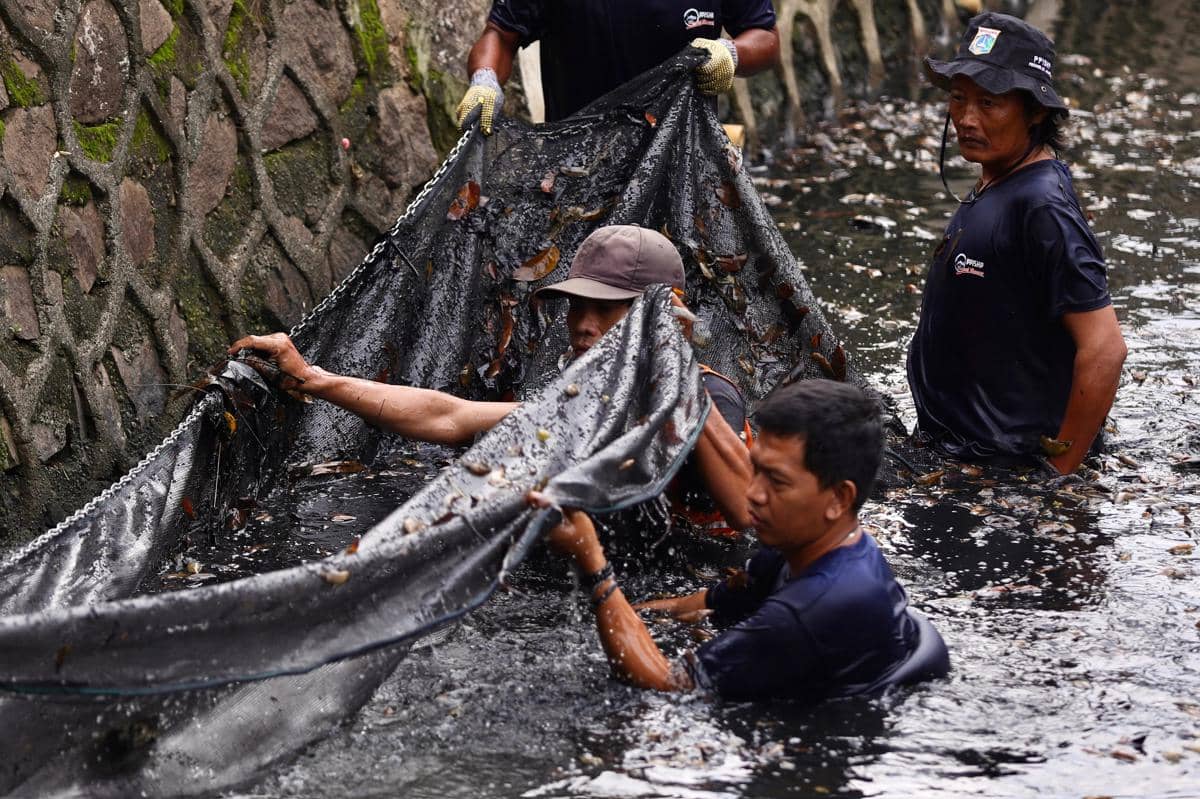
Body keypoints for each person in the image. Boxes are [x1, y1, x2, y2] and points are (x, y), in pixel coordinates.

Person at [229, 224, 753, 532]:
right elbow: (451, 416)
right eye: (577, 308)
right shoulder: (591, 395)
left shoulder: (710, 399)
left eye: (607, 310)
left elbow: (751, 515)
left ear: (663, 314)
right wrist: (316, 379)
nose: (583, 327)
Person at [534, 379, 949, 701]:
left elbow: (663, 684)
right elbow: (700, 605)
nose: (752, 492)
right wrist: (626, 613)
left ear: (839, 498)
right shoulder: (802, 549)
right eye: (757, 470)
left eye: (778, 481)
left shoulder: (806, 614)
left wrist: (594, 564)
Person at [906, 12, 1127, 475]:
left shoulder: (1041, 207)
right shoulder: (999, 181)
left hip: (1007, 473)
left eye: (989, 103)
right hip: (955, 455)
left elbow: (1105, 349)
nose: (966, 119)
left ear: (1036, 110)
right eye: (958, 98)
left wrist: (1057, 476)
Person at [456, 0, 780, 132]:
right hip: (576, 159)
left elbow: (765, 37)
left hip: (685, 155)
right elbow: (500, 34)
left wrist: (731, 53)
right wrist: (485, 80)